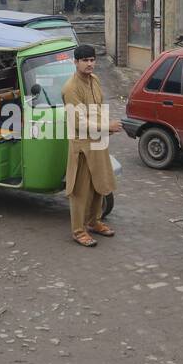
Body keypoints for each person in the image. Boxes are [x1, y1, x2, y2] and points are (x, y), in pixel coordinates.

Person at [61, 44, 121, 247]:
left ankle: (94, 222)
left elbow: (98, 110)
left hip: (98, 141)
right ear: (75, 62)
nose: (90, 64)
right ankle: (79, 231)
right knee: (80, 190)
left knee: (99, 185)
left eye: (92, 60)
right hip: (82, 147)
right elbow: (79, 122)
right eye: (85, 60)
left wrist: (107, 130)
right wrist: (107, 126)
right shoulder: (71, 88)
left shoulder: (94, 81)